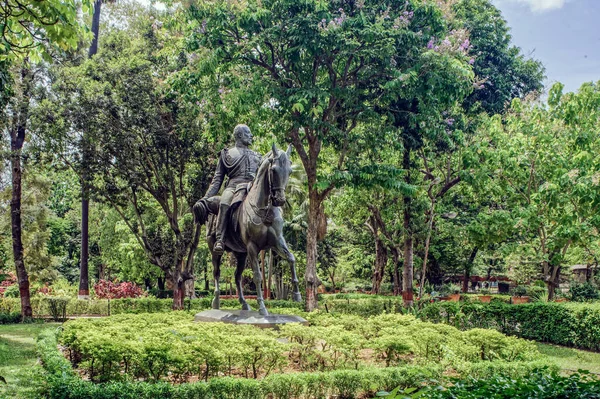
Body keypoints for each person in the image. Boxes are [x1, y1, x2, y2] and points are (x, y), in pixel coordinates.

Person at [203, 124, 262, 254]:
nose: (251, 136)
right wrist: (206, 198)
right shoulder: (227, 154)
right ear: (239, 135)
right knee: (224, 203)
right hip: (233, 188)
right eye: (248, 133)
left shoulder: (257, 156)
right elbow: (217, 179)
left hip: (251, 187)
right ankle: (220, 239)